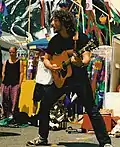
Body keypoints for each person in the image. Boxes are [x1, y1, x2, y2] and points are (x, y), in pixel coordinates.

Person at [26, 10, 112, 147]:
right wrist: (52, 68)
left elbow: (86, 59)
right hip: (61, 80)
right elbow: (47, 59)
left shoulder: (81, 38)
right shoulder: (55, 40)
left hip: (79, 81)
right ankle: (42, 138)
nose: (52, 23)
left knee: (91, 109)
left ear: (63, 22)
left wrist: (79, 62)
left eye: (55, 21)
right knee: (44, 104)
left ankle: (105, 142)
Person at [1, 46, 24, 118]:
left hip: (15, 83)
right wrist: (2, 82)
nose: (11, 54)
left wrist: (20, 83)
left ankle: (14, 114)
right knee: (5, 99)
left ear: (16, 52)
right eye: (10, 52)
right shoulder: (6, 62)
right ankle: (6, 114)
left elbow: (21, 73)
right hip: (6, 83)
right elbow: (3, 72)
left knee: (14, 100)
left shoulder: (19, 62)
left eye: (13, 52)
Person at [31, 49, 53, 116]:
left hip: (47, 82)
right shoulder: (39, 59)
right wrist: (35, 57)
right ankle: (33, 114)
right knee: (35, 99)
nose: (41, 54)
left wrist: (45, 59)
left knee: (45, 101)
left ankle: (44, 115)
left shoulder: (50, 59)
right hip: (39, 81)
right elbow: (34, 64)